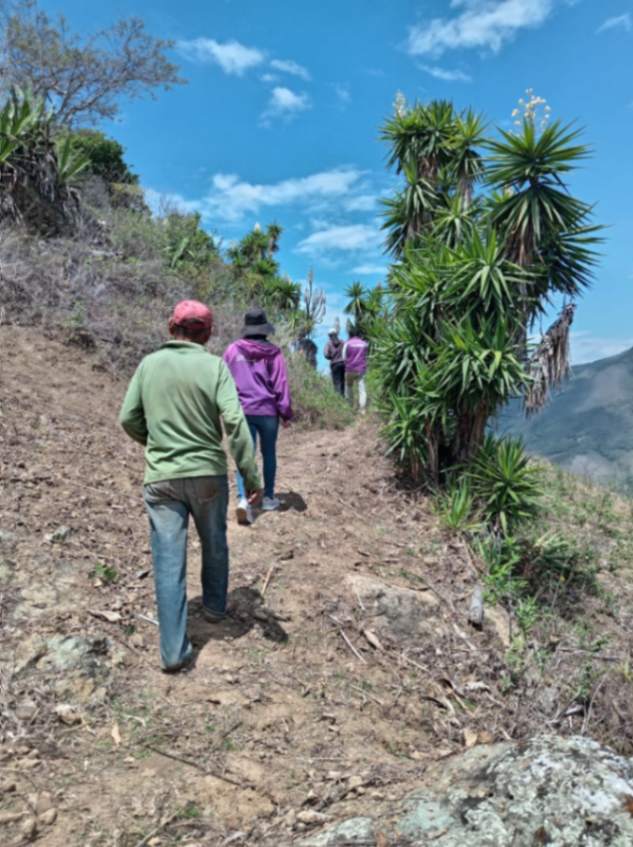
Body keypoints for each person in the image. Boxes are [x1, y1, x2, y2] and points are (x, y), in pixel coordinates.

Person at [119, 300, 262, 673]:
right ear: (208, 333)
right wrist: (251, 477)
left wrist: (157, 444)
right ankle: (214, 608)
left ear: (171, 328)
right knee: (214, 540)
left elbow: (128, 418)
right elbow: (235, 422)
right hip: (207, 475)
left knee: (168, 562)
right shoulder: (214, 366)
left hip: (162, 478)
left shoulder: (148, 365)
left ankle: (172, 652)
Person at [224, 307, 293, 524]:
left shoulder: (232, 351)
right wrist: (285, 412)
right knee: (269, 453)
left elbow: (223, 380)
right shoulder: (274, 352)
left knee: (245, 456)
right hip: (268, 411)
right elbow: (280, 384)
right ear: (264, 329)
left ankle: (244, 499)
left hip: (242, 410)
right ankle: (269, 497)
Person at [343, 329, 369, 412]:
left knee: (348, 387)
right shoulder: (364, 344)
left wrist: (348, 363)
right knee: (362, 389)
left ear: (350, 335)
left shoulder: (347, 343)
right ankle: (362, 409)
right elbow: (366, 356)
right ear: (359, 335)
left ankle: (350, 406)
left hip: (349, 369)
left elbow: (343, 357)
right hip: (361, 369)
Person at [324, 327, 345, 396]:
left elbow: (326, 354)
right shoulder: (343, 342)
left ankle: (338, 399)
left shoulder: (328, 344)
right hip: (343, 364)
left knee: (336, 382)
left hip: (335, 365)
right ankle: (342, 398)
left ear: (329, 335)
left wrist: (331, 357)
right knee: (342, 382)